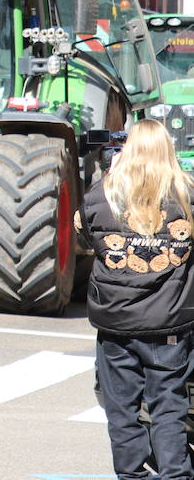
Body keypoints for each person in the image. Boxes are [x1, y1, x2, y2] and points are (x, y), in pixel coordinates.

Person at [78, 119, 194, 480]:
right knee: (169, 406)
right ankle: (175, 474)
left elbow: (86, 237)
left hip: (116, 321)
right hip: (169, 321)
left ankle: (132, 475)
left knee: (121, 409)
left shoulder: (102, 194)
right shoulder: (187, 194)